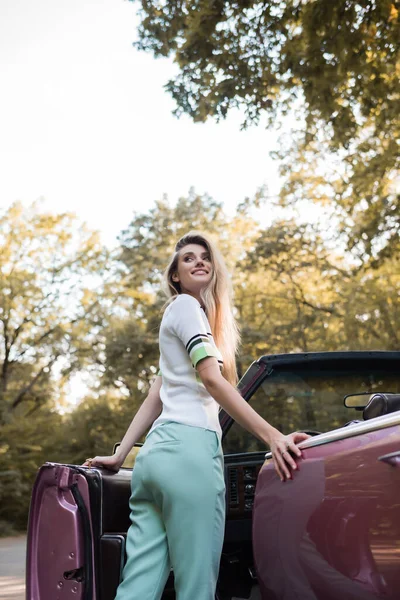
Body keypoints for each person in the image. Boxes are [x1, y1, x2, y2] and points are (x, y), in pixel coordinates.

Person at [82, 231, 309, 600]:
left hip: (153, 460)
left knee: (138, 583)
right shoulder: (188, 308)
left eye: (204, 256)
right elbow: (211, 378)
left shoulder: (175, 318)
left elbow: (156, 396)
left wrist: (122, 454)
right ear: (175, 276)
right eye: (187, 258)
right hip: (189, 455)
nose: (198, 261)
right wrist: (273, 436)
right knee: (196, 585)